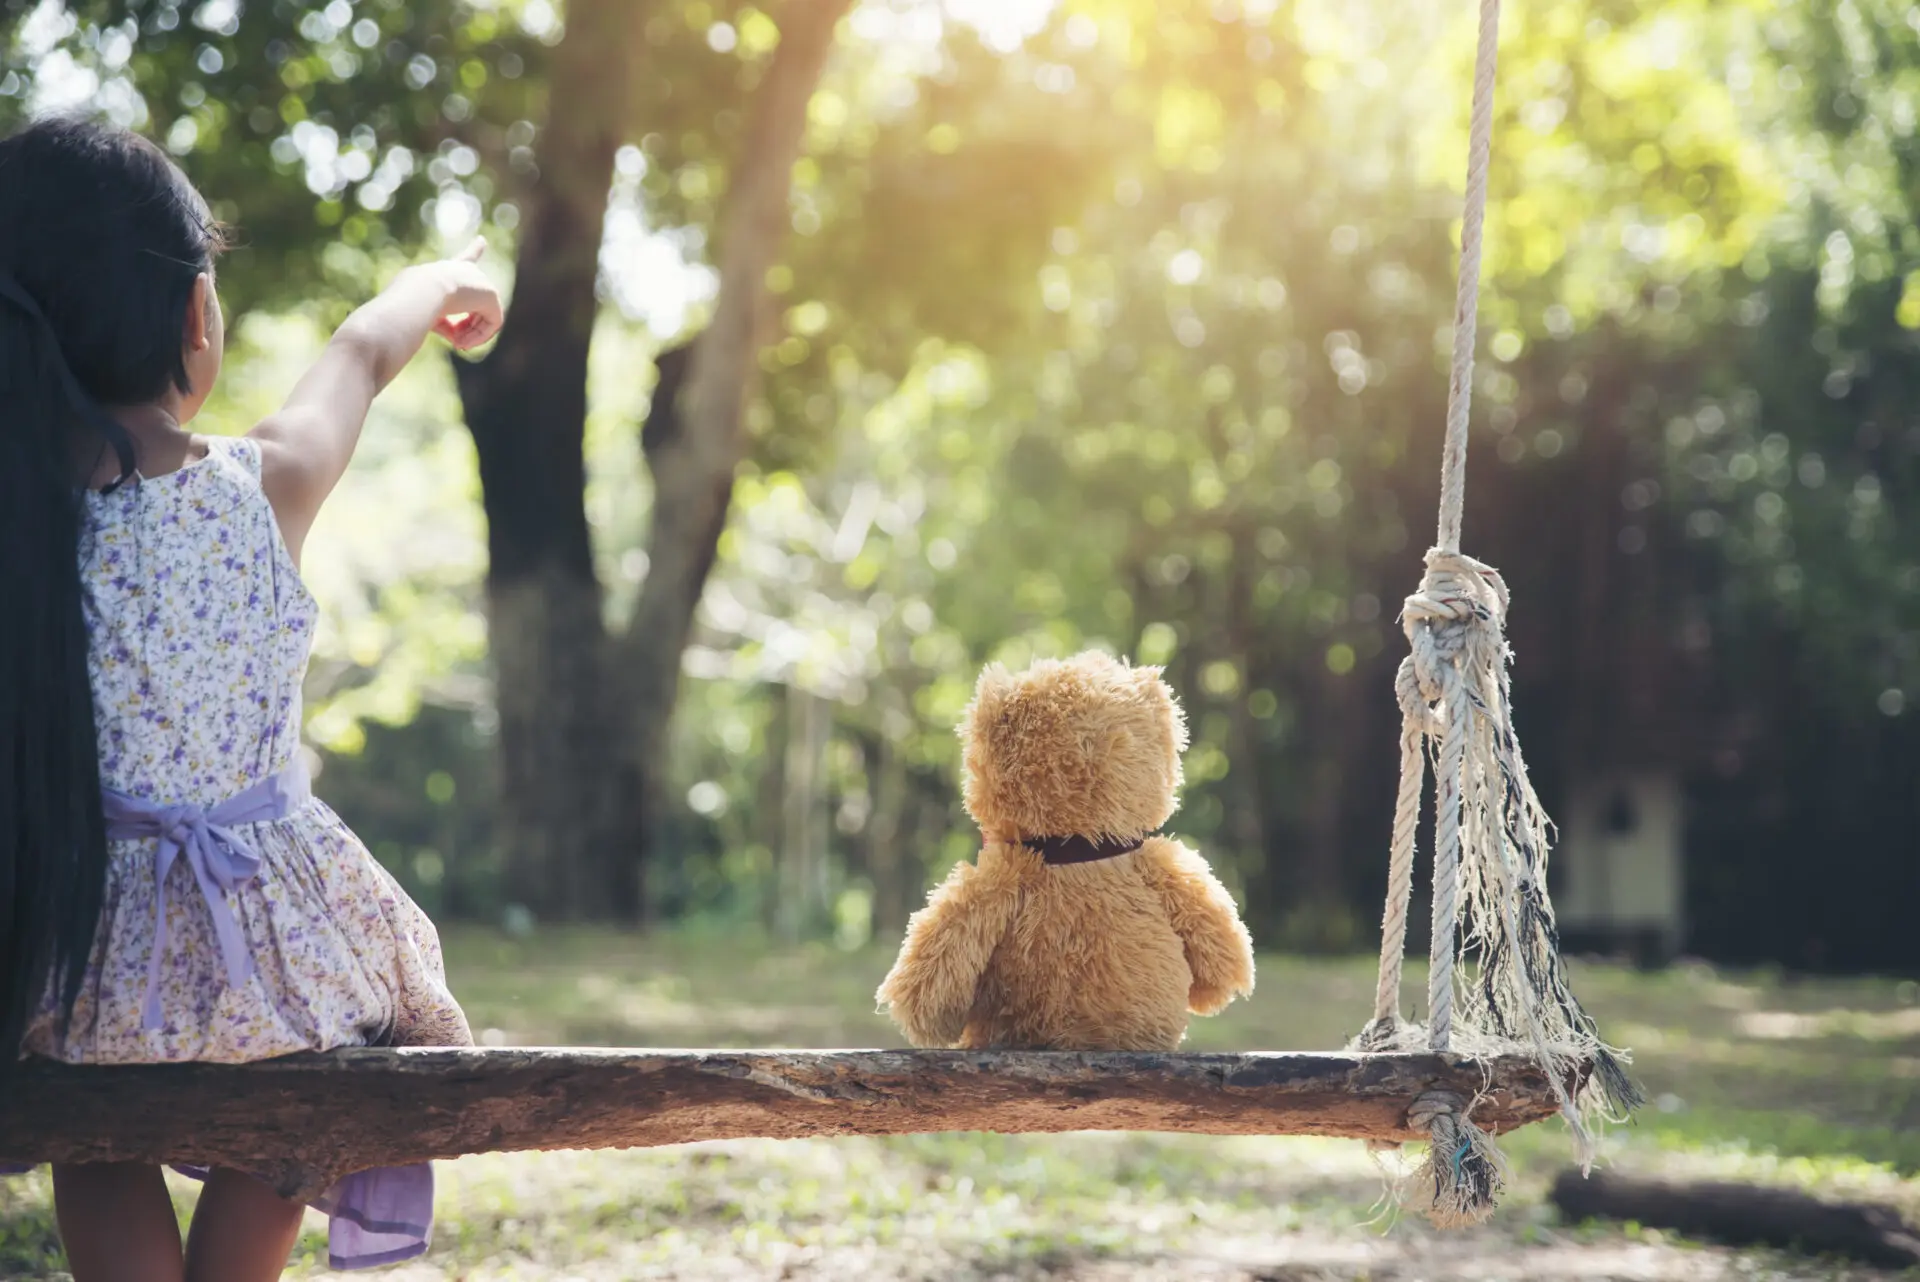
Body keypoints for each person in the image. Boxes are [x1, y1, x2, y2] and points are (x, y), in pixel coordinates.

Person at [0, 114, 503, 1280]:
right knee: (288, 1122)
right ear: (194, 319)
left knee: (99, 1142)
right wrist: (441, 282)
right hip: (267, 949)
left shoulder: (24, 533)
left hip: (74, 951)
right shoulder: (254, 490)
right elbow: (359, 358)